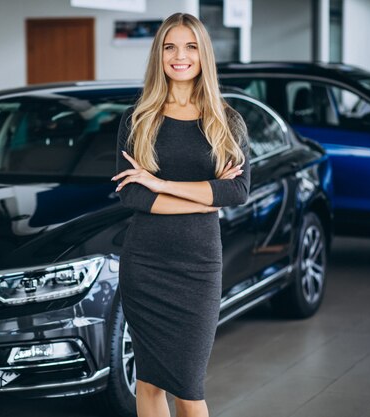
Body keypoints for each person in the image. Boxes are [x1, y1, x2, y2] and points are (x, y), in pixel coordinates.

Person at [111, 12, 250, 417]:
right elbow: (131, 196)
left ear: (203, 54)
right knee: (149, 381)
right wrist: (208, 197)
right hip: (146, 262)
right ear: (159, 55)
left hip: (198, 265)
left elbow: (237, 191)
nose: (180, 56)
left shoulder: (227, 121)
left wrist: (162, 184)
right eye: (170, 46)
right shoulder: (138, 118)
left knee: (189, 387)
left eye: (190, 46)